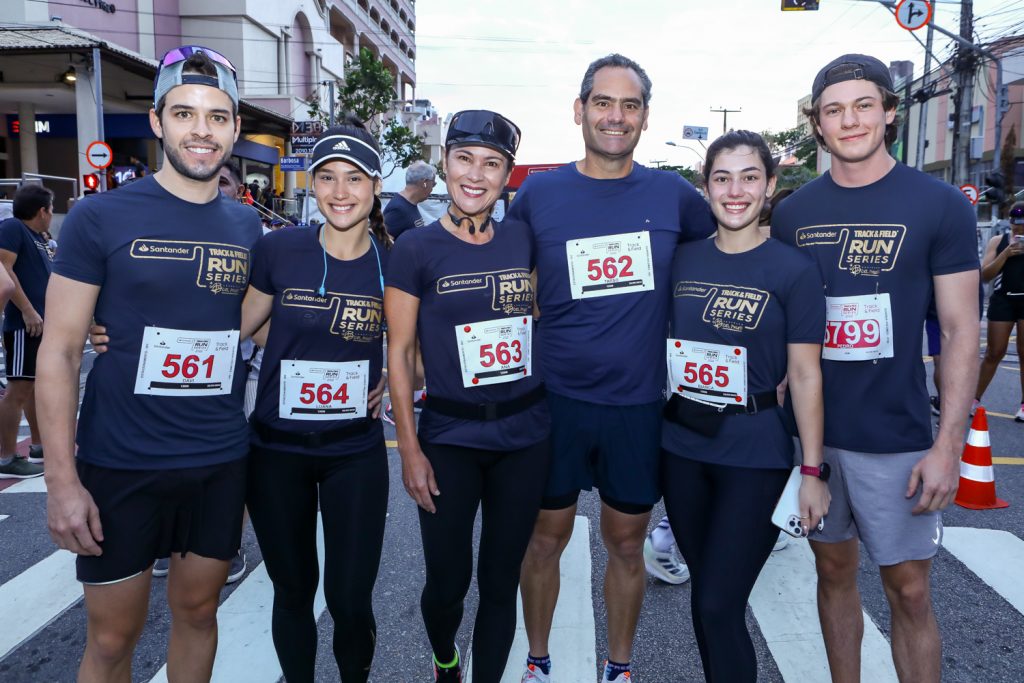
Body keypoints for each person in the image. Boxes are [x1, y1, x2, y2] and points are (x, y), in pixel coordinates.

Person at [37, 45, 262, 681]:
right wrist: (61, 481)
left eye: (218, 117)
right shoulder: (98, 217)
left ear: (235, 130)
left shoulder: (247, 229)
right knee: (111, 639)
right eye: (185, 113)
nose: (202, 130)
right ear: (158, 122)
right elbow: (57, 349)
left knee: (198, 612)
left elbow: (252, 325)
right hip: (121, 460)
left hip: (218, 458)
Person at [772, 54, 980, 682]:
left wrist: (948, 446)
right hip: (815, 436)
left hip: (897, 436)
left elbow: (959, 331)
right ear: (816, 124)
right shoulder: (792, 214)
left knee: (909, 590)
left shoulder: (940, 204)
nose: (850, 119)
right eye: (834, 110)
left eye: (864, 105)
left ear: (891, 112)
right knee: (832, 575)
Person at [510, 54, 716, 683]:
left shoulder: (674, 195)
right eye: (603, 102)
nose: (615, 116)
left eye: (630, 106)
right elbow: (511, 281)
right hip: (554, 401)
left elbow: (722, 260)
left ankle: (618, 668)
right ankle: (539, 662)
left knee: (627, 543)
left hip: (636, 405)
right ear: (580, 110)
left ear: (645, 118)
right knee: (544, 540)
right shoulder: (538, 193)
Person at [386, 110, 550, 682]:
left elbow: (539, 314)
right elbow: (401, 354)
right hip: (449, 438)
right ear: (445, 164)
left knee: (501, 581)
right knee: (447, 583)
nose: (475, 175)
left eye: (492, 164)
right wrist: (409, 449)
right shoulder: (414, 248)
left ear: (507, 174)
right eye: (464, 159)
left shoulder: (525, 239)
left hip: (524, 436)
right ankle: (446, 658)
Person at [663, 130, 829, 682]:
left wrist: (811, 470)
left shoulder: (793, 271)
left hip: (754, 453)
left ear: (770, 186)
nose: (735, 191)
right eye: (722, 178)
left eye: (749, 177)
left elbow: (805, 374)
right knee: (707, 599)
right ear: (705, 187)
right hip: (682, 448)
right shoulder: (680, 260)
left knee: (717, 602)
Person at [242, 119, 391, 682]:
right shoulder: (279, 248)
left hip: (355, 450)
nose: (339, 191)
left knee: (351, 598)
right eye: (327, 177)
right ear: (310, 181)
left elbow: (415, 349)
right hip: (276, 450)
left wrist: (394, 383)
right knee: (293, 590)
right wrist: (122, 328)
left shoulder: (392, 261)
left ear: (375, 185)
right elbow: (237, 326)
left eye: (354, 178)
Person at [0, 183, 48, 479]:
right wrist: (28, 310)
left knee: (30, 387)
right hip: (22, 325)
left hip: (36, 324)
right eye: (50, 209)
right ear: (42, 211)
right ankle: (6, 457)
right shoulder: (13, 228)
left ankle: (40, 445)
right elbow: (5, 269)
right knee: (17, 390)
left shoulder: (36, 237)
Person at [975, 201, 1024, 419]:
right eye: (1015, 224)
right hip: (1003, 300)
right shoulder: (998, 241)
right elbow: (985, 275)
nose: (1018, 229)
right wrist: (1005, 254)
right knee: (994, 352)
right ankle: (973, 399)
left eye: (1022, 225)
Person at [383, 160, 436, 240]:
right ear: (424, 183)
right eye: (433, 184)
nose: (432, 188)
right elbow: (383, 242)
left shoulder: (409, 204)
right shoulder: (398, 209)